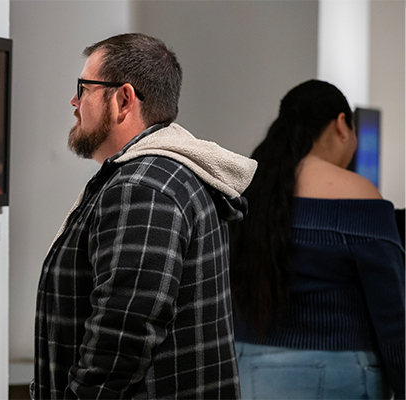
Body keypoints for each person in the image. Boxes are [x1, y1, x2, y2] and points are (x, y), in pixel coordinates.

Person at [32, 33, 257, 399]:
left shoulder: (143, 187)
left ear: (123, 99)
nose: (74, 101)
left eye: (84, 88)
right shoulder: (166, 176)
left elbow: (123, 335)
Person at [230, 79, 405, 399]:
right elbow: (393, 316)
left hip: (246, 369)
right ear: (342, 124)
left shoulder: (250, 192)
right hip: (338, 374)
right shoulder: (359, 195)